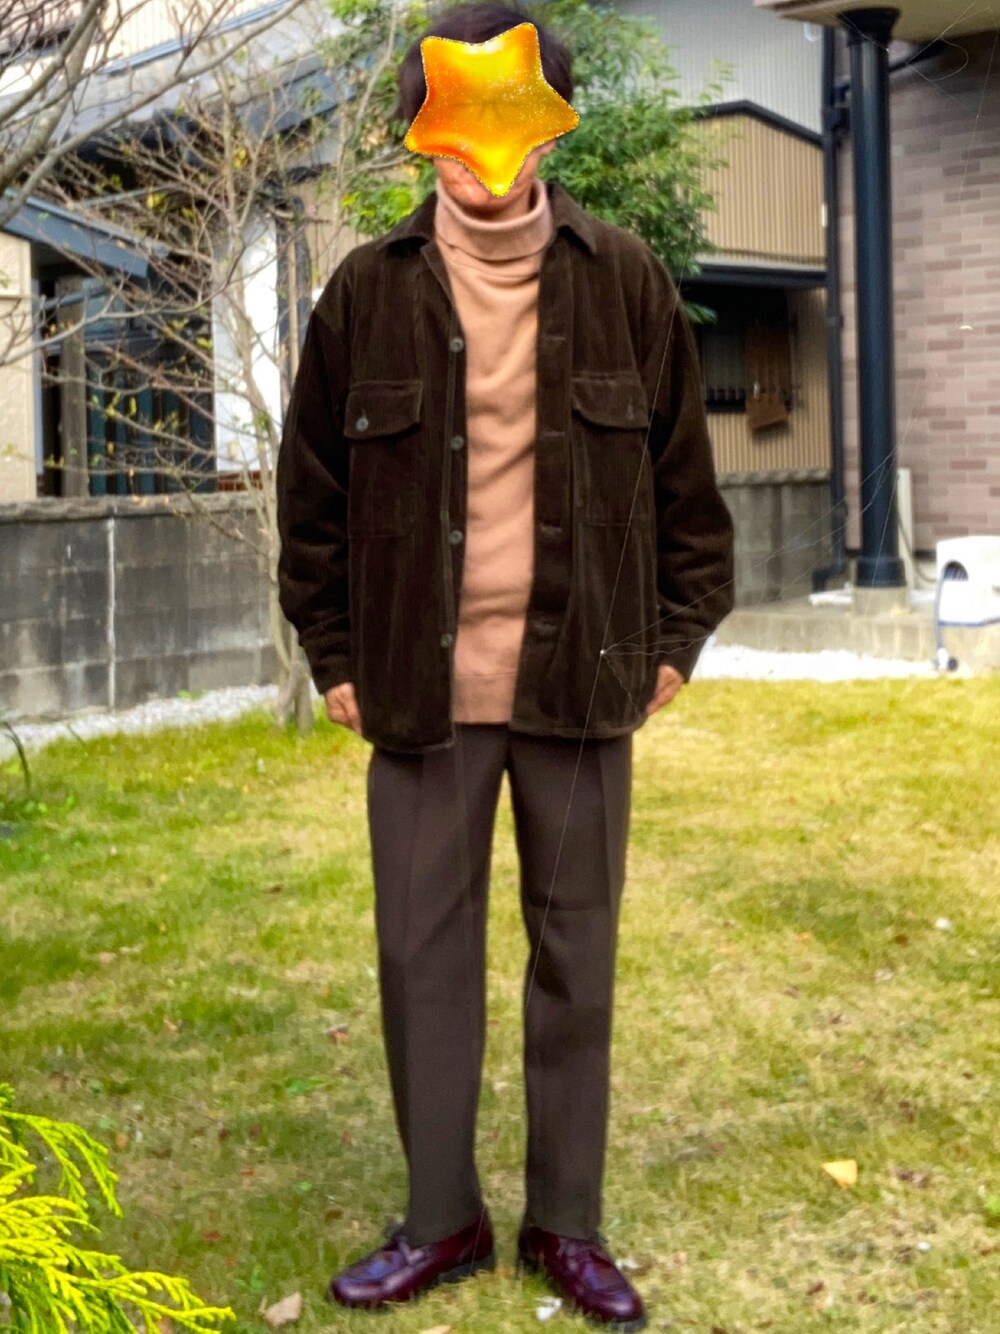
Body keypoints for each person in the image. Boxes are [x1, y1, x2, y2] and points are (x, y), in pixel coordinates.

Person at [276, 4, 734, 1329]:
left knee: (575, 956)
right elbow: (312, 497)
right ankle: (443, 1219)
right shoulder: (366, 292)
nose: (487, 153)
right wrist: (334, 650)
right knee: (419, 957)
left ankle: (566, 1225)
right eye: (460, 119)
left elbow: (685, 487)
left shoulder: (626, 281)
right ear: (426, 130)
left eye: (511, 119)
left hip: (581, 685)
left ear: (551, 127)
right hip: (419, 695)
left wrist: (676, 636)